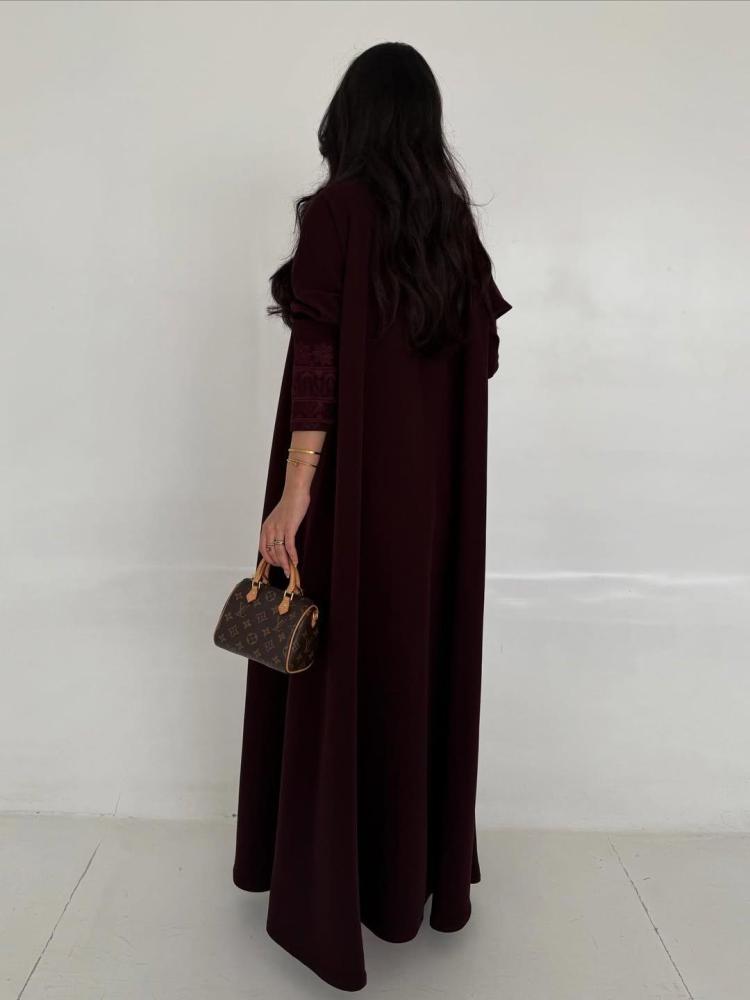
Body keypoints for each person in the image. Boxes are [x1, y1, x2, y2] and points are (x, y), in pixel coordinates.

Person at [232, 41, 513, 992]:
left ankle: (326, 879)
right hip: (432, 506)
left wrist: (296, 488)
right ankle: (406, 878)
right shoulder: (450, 227)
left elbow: (318, 357)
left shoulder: (339, 211)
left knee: (331, 657)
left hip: (350, 493)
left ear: (352, 116)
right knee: (411, 659)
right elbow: (478, 362)